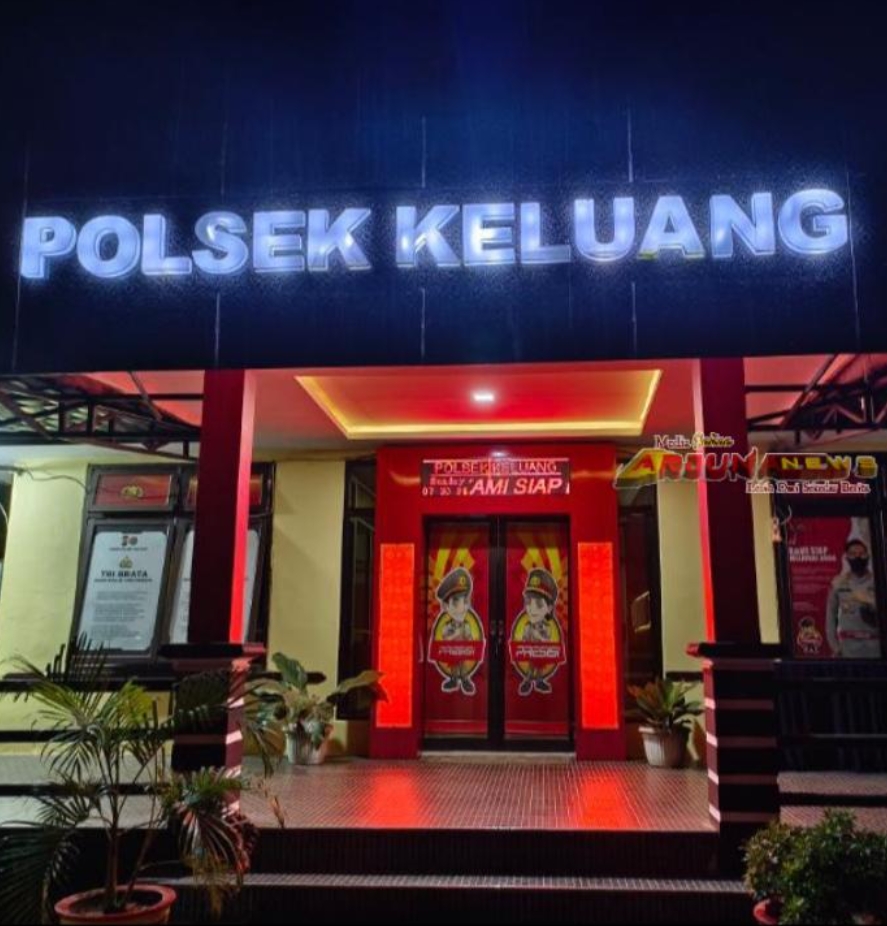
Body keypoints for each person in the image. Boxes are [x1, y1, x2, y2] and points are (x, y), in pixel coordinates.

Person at [825, 539, 881, 659]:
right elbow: (830, 617)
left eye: (861, 553)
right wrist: (835, 647)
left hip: (876, 647)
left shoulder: (879, 581)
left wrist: (870, 601)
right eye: (853, 554)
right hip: (848, 648)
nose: (858, 557)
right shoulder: (838, 583)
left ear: (868, 556)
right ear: (847, 557)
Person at [435, 567, 481, 695]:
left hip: (463, 653)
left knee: (463, 666)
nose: (462, 607)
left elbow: (470, 640)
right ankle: (454, 680)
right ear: (445, 606)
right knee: (454, 666)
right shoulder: (447, 626)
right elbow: (444, 640)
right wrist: (454, 634)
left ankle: (465, 679)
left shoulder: (466, 625)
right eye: (455, 602)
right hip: (452, 653)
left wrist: (471, 644)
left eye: (465, 601)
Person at [516, 568, 559, 696]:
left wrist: (538, 636)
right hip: (530, 654)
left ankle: (539, 681)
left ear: (549, 608)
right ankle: (528, 680)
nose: (532, 609)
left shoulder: (547, 627)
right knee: (531, 667)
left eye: (539, 604)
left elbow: (548, 641)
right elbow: (523, 641)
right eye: (528, 602)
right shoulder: (527, 626)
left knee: (539, 667)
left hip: (541, 655)